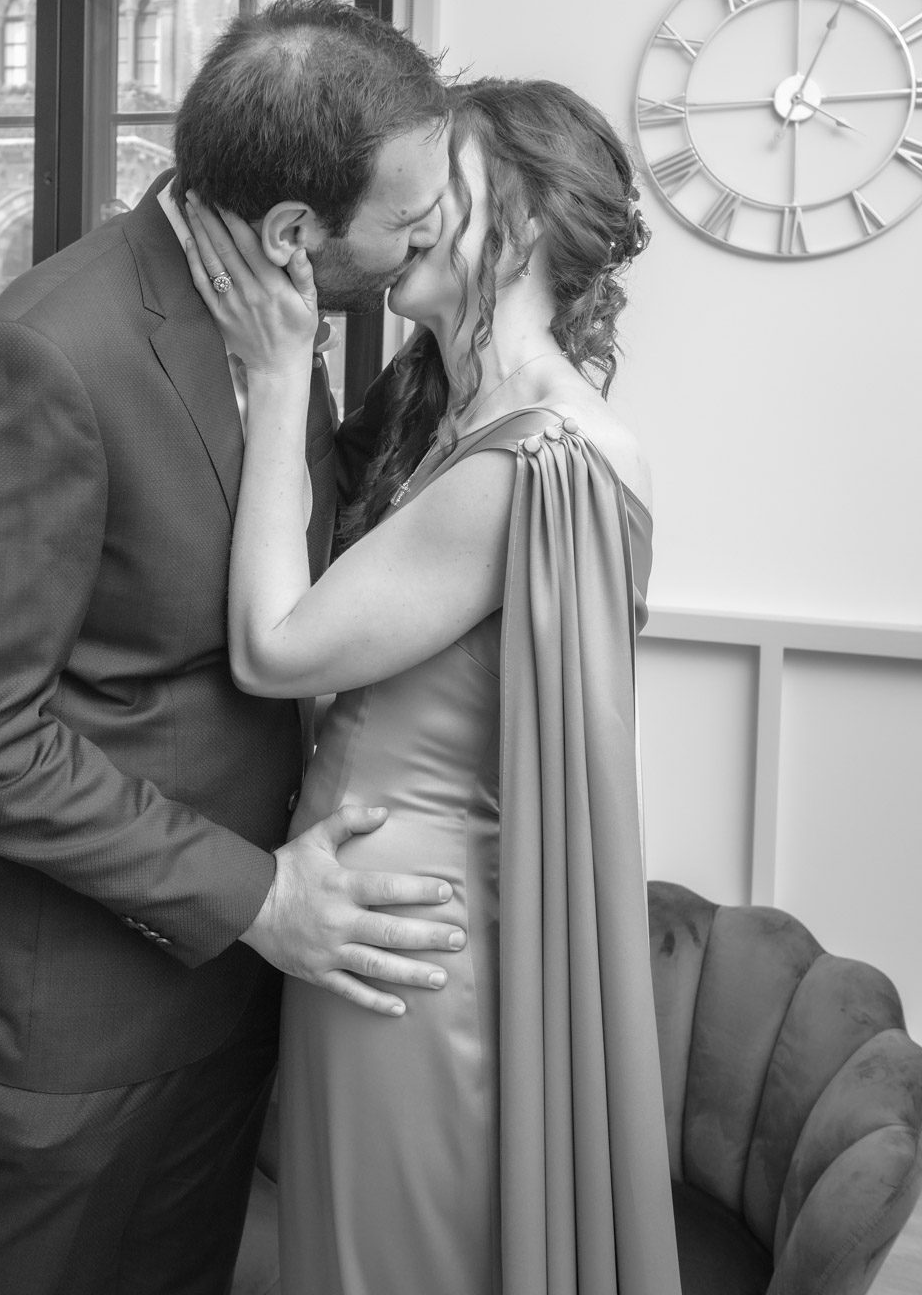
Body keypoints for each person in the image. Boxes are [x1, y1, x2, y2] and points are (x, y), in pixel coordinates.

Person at [0, 0, 468, 1295]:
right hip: (69, 1021)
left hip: (233, 987)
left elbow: (287, 563)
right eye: (412, 224)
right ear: (295, 232)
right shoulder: (50, 357)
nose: (430, 243)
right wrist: (262, 900)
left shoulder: (283, 323)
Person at [183, 76, 683, 1295]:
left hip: (405, 941)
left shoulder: (532, 458)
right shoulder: (465, 419)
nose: (393, 217)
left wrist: (276, 373)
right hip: (384, 919)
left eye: (426, 192)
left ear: (505, 213)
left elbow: (274, 647)